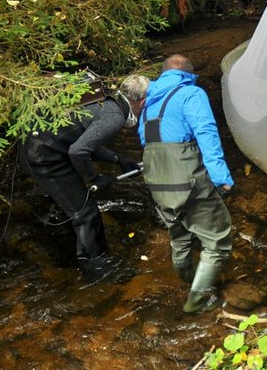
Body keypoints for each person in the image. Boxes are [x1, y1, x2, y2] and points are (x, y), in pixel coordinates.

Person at [20, 73, 147, 279]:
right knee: (87, 213)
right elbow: (78, 151)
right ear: (141, 102)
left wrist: (118, 159)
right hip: (45, 157)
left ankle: (64, 246)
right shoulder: (115, 117)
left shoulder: (106, 101)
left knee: (70, 206)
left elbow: (82, 141)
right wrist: (95, 179)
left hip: (36, 147)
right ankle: (96, 269)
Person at [138, 54, 234, 314]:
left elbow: (146, 144)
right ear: (189, 74)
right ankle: (197, 301)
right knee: (216, 241)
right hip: (188, 180)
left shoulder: (148, 105)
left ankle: (190, 280)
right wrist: (220, 176)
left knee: (179, 237)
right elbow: (206, 131)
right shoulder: (191, 94)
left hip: (157, 184)